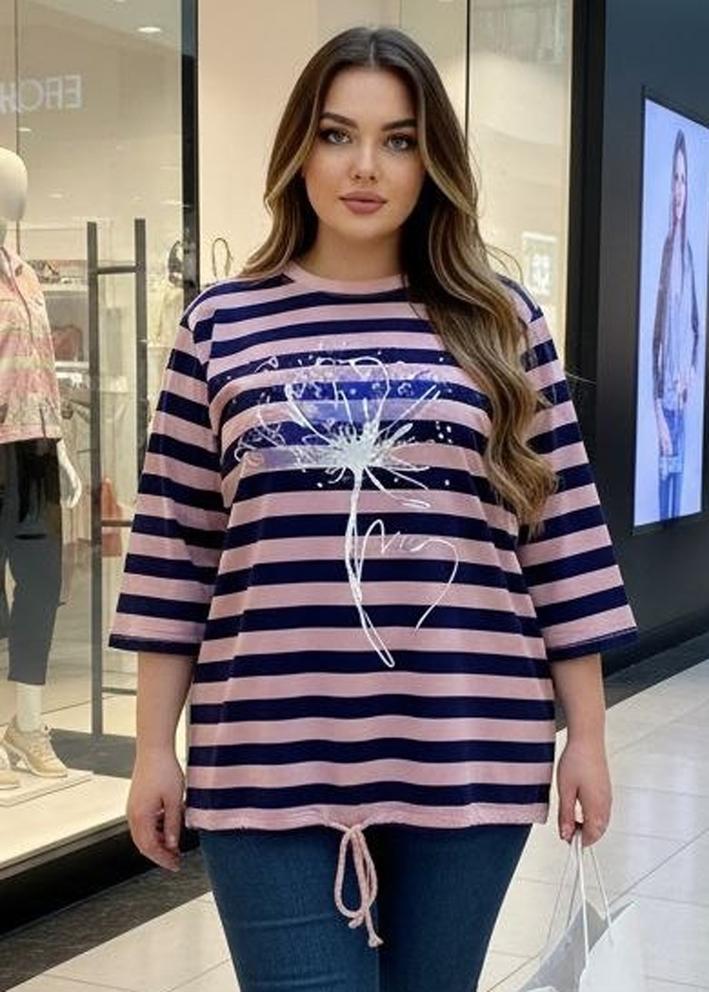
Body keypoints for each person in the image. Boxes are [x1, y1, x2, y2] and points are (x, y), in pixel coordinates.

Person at [108, 26, 639, 992]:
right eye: (336, 134)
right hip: (263, 760)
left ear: (433, 162)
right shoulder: (219, 325)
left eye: (399, 140)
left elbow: (560, 542)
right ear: (298, 150)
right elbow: (174, 556)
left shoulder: (500, 321)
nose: (365, 166)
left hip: (467, 747)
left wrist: (589, 741)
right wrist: (152, 750)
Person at [652, 128, 700, 520]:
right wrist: (657, 416)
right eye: (675, 179)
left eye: (684, 180)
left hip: (681, 406)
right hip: (666, 407)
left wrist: (692, 371)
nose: (679, 189)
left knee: (677, 498)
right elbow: (655, 340)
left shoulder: (688, 254)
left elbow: (697, 326)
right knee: (665, 492)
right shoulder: (667, 249)